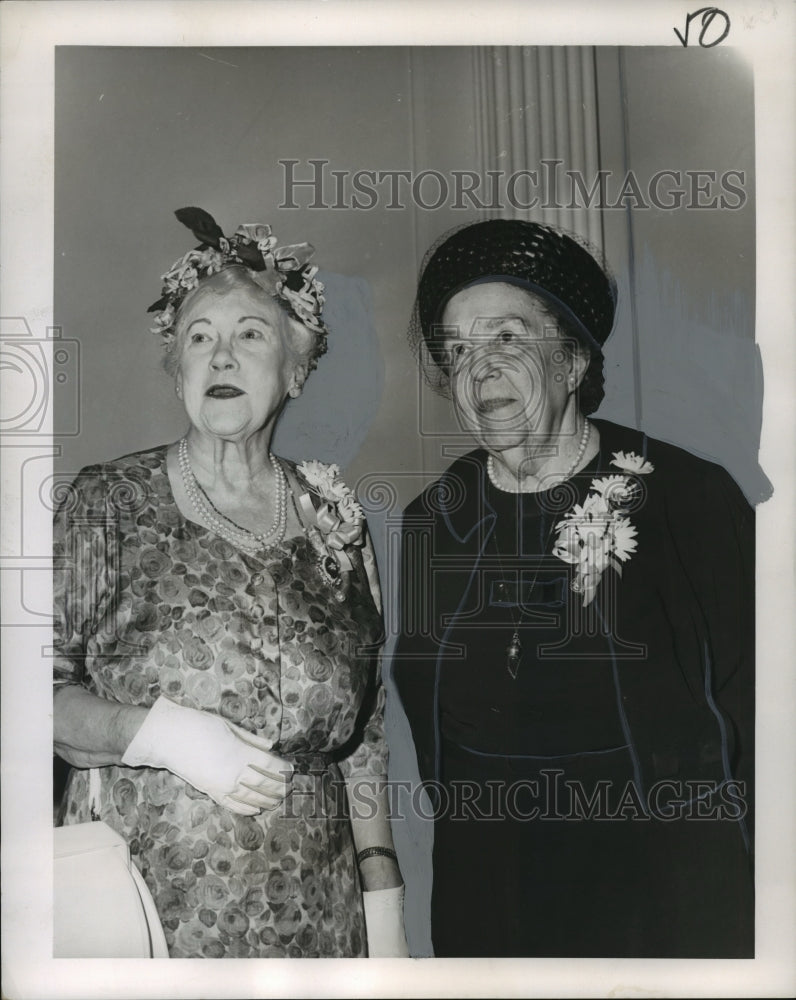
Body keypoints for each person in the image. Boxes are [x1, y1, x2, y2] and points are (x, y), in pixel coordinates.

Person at [392, 218, 754, 958]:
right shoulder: (433, 518)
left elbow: (765, 713)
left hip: (662, 899)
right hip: (488, 900)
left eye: (507, 338)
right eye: (457, 352)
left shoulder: (688, 495)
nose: (479, 369)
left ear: (574, 360)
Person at [53, 208, 408, 959]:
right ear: (177, 366)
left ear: (296, 368)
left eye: (250, 334)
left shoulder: (332, 519)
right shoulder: (107, 503)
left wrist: (384, 907)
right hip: (148, 905)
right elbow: (29, 699)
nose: (220, 357)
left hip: (319, 912)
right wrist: (162, 735)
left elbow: (364, 735)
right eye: (199, 337)